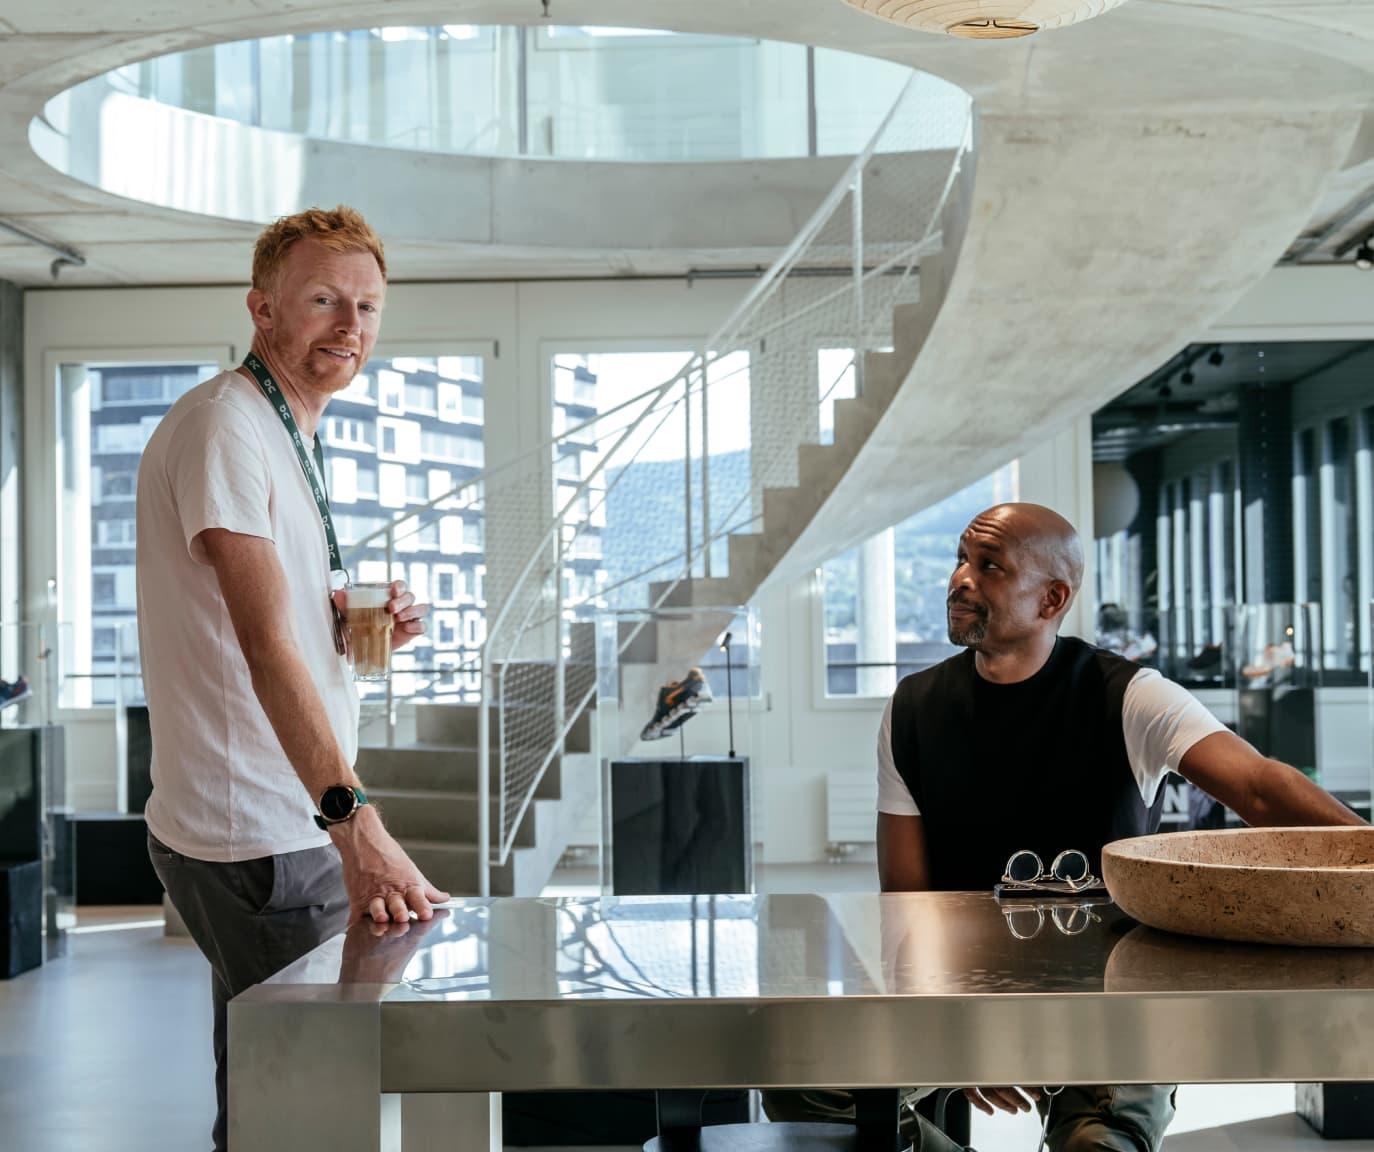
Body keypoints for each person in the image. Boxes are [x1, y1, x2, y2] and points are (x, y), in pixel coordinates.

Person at [871, 502, 1363, 1151]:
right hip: (969, 992)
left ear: (1052, 599)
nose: (961, 579)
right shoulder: (911, 710)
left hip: (1110, 1002)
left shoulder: (1129, 695)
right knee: (815, 1092)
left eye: (989, 566)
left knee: (1098, 1148)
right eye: (961, 559)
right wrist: (954, 1029)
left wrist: (1368, 856)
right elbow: (908, 906)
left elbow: (1260, 789)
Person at [136, 205, 449, 1152]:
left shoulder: (286, 431)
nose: (349, 327)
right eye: (322, 300)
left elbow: (272, 626)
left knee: (277, 1089)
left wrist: (351, 625)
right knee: (310, 1103)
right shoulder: (229, 425)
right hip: (263, 831)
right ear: (262, 308)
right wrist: (359, 825)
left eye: (366, 306)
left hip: (275, 814)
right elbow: (264, 645)